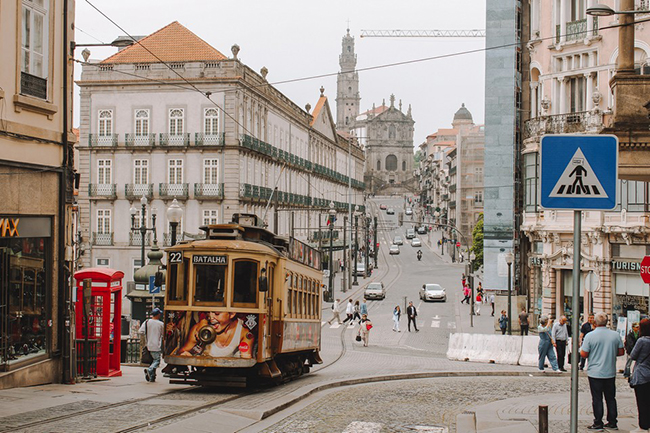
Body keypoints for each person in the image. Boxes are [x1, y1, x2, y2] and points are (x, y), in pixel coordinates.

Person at [580, 312, 625, 431]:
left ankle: (598, 422)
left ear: (595, 322)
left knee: (597, 398)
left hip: (595, 372)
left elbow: (584, 354)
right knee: (611, 398)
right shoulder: (615, 335)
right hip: (609, 371)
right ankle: (612, 421)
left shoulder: (590, 336)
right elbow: (621, 352)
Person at [179, 311, 255, 359]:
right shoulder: (199, 329)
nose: (211, 318)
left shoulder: (243, 332)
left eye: (217, 314)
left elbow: (246, 358)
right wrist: (186, 356)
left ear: (232, 314)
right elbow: (182, 352)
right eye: (209, 313)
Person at [629, 318, 650, 432]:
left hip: (642, 375)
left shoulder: (642, 341)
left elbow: (633, 355)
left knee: (642, 402)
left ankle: (643, 426)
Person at [139, 308, 164, 382]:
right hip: (156, 345)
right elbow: (163, 334)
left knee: (152, 361)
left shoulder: (147, 322)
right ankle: (149, 370)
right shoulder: (161, 324)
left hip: (148, 344)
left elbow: (141, 331)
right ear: (158, 315)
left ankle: (152, 376)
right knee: (157, 360)